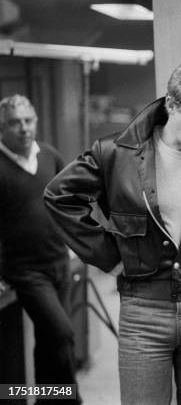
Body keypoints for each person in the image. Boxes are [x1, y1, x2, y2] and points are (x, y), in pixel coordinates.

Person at [44, 60, 181, 405]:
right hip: (142, 311)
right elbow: (59, 196)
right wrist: (109, 257)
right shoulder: (115, 152)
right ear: (172, 105)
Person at [0, 94, 80, 404]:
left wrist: (75, 244)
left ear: (35, 121)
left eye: (28, 121)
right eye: (14, 123)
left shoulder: (49, 156)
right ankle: (71, 400)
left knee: (48, 342)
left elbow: (68, 203)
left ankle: (48, 400)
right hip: (25, 271)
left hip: (58, 263)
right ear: (2, 128)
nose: (23, 128)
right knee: (62, 335)